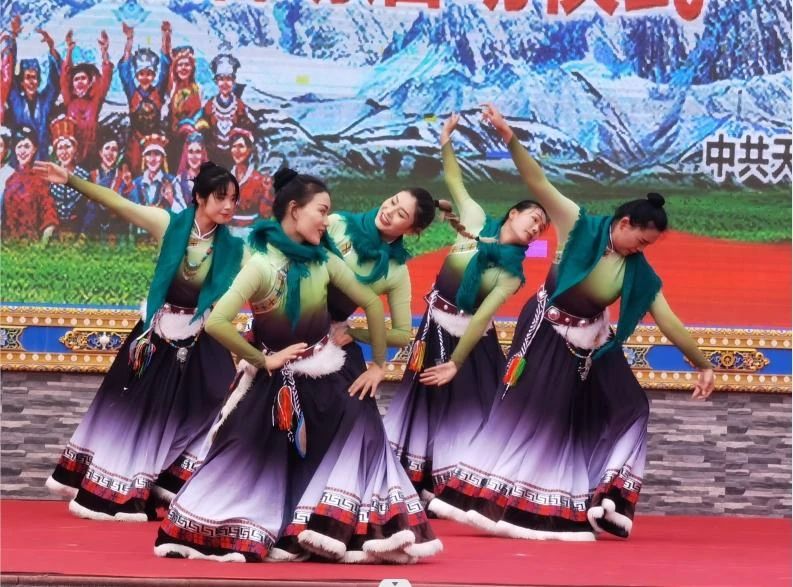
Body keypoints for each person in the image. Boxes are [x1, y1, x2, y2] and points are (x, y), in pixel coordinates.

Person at [431, 104, 716, 541]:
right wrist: (508, 135)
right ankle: (499, 501)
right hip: (545, 330)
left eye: (648, 246)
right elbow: (537, 182)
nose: (640, 250)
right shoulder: (578, 225)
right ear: (624, 223)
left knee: (632, 406)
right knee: (537, 414)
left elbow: (668, 320)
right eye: (639, 240)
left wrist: (703, 363)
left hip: (593, 341)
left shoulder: (638, 271)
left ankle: (608, 499)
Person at [155, 169, 441, 563]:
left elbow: (380, 314)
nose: (391, 211)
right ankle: (255, 524)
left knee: (356, 431)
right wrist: (263, 359)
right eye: (393, 201)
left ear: (413, 229)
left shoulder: (346, 263)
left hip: (330, 357)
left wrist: (373, 359)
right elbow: (219, 321)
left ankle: (337, 525)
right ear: (295, 210)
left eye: (403, 213)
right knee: (255, 450)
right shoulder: (303, 245)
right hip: (279, 365)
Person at [36, 160, 247, 521]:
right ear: (199, 197)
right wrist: (70, 179)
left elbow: (267, 276)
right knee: (139, 415)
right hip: (155, 336)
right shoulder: (168, 224)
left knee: (216, 402)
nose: (229, 206)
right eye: (221, 197)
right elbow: (118, 203)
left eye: (233, 200)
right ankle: (122, 490)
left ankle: (176, 490)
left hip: (200, 339)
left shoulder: (235, 248)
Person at [384, 113, 549, 501]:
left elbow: (483, 317)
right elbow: (455, 180)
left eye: (541, 229)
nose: (536, 228)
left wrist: (456, 363)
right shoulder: (473, 219)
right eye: (534, 218)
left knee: (468, 412)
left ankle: (458, 491)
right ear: (513, 213)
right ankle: (416, 487)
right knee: (424, 403)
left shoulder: (511, 274)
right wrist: (445, 139)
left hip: (471, 346)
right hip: (433, 329)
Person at [3, 15, 62, 160]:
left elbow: (56, 81)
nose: (31, 82)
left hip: (41, 159)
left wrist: (51, 49)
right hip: (19, 159)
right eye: (28, 77)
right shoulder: (16, 100)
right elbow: (8, 73)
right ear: (22, 82)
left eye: (35, 77)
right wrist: (12, 39)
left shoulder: (45, 100)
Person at [118, 21, 171, 172]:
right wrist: (129, 40)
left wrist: (165, 36)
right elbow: (124, 69)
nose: (145, 77)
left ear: (153, 75)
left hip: (155, 141)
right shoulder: (132, 92)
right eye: (141, 74)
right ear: (137, 75)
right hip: (135, 141)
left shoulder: (158, 92)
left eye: (149, 74)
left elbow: (165, 68)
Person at [60, 29, 113, 165]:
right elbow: (64, 77)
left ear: (89, 83)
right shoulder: (69, 101)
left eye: (83, 78)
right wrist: (69, 51)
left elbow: (106, 78)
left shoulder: (95, 101)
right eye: (76, 79)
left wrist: (104, 52)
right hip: (72, 154)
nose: (80, 82)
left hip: (91, 154)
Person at [2, 127, 57, 242]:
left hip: (32, 243)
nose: (22, 151)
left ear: (34, 149)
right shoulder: (10, 180)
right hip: (10, 244)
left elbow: (49, 215)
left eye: (27, 146)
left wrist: (43, 244)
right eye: (19, 147)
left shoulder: (42, 179)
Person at [78, 126, 133, 242]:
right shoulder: (91, 176)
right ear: (100, 152)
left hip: (116, 227)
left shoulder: (123, 177)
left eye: (114, 149)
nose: (110, 153)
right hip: (93, 227)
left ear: (118, 154)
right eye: (107, 148)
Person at [201, 53, 254, 169]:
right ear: (216, 81)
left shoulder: (240, 107)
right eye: (221, 79)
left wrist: (240, 131)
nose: (225, 83)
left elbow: (249, 132)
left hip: (235, 159)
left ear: (234, 81)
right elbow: (203, 130)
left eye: (229, 79)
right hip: (212, 159)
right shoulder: (209, 106)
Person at [47, 116, 89, 234]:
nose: (64, 152)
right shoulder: (49, 176)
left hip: (78, 231)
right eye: (60, 148)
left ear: (75, 149)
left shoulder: (84, 176)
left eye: (68, 147)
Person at [228, 127, 272, 234]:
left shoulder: (259, 179)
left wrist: (267, 191)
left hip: (250, 232)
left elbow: (266, 213)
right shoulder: (226, 178)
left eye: (241, 146)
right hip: (228, 232)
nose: (237, 151)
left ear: (249, 150)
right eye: (234, 146)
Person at [165, 45, 203, 171]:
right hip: (175, 142)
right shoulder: (172, 88)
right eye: (180, 65)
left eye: (187, 65)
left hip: (194, 141)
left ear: (192, 68)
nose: (183, 68)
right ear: (175, 68)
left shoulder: (199, 89)